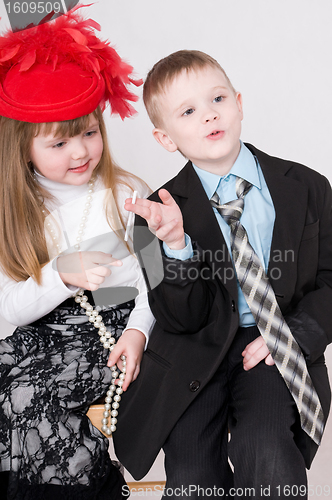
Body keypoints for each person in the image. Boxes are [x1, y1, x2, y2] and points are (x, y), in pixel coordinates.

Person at [113, 50, 332, 499]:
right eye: (188, 111)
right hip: (192, 353)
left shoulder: (309, 186)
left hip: (272, 342)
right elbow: (178, 318)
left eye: (217, 99)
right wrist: (175, 245)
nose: (209, 115)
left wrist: (293, 336)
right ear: (165, 138)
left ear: (239, 103)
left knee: (265, 449)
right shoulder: (150, 218)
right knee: (193, 475)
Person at [0, 7, 155, 500]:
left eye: (89, 132)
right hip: (44, 325)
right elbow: (8, 310)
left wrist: (136, 332)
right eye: (59, 142)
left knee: (28, 395)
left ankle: (96, 488)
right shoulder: (16, 211)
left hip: (114, 323)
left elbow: (160, 279)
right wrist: (60, 274)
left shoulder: (126, 193)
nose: (80, 153)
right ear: (22, 147)